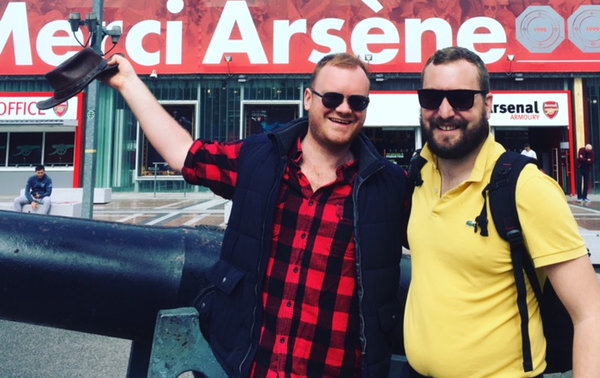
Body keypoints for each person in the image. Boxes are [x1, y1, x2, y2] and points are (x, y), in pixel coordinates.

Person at [104, 52, 408, 378]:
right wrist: (127, 82)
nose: (344, 108)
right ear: (308, 98)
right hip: (250, 368)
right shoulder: (259, 159)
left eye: (357, 101)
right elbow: (185, 156)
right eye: (332, 97)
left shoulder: (391, 186)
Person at [404, 46, 600, 378]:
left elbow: (592, 314)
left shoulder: (526, 187)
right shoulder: (419, 175)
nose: (444, 111)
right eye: (431, 97)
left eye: (460, 98)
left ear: (488, 104)